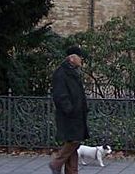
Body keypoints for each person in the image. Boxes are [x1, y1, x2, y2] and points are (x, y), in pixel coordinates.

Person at [50, 45, 89, 174]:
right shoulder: (61, 73)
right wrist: (69, 109)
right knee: (74, 141)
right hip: (69, 115)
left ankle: (72, 171)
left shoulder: (73, 72)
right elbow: (60, 95)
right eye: (80, 58)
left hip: (77, 114)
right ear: (72, 58)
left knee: (73, 144)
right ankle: (56, 163)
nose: (81, 60)